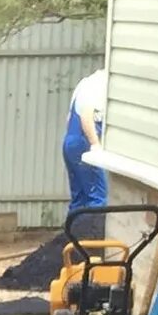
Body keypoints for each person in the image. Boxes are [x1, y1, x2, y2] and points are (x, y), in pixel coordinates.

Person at [63, 66, 109, 216]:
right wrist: (95, 144)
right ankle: (90, 236)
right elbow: (86, 116)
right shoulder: (101, 85)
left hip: (70, 142)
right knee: (97, 199)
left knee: (79, 199)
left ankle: (72, 237)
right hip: (84, 144)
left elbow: (69, 119)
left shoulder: (85, 83)